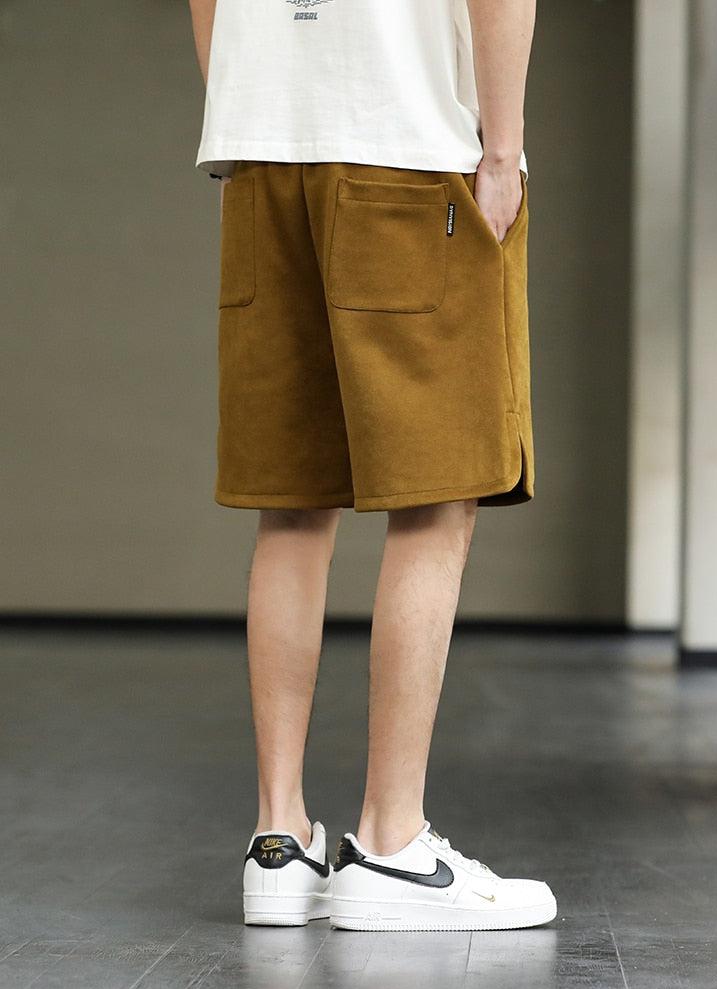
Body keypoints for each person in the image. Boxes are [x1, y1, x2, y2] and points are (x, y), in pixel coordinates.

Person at [188, 0, 555, 932]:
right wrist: (502, 152)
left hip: (263, 154)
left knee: (292, 504)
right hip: (408, 143)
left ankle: (278, 842)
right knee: (437, 498)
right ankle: (392, 844)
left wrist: (244, 113)